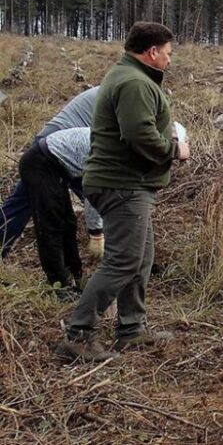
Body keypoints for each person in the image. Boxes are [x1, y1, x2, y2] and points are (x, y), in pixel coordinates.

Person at [57, 22, 189, 362]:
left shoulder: (128, 76)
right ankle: (78, 335)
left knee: (141, 257)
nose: (170, 61)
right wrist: (174, 150)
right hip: (123, 185)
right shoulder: (134, 82)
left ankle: (131, 329)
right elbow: (139, 134)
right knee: (124, 260)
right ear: (152, 52)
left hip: (127, 183)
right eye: (168, 54)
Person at [1, 86, 101, 258]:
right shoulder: (124, 94)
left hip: (73, 148)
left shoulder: (121, 88)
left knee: (102, 203)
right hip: (54, 147)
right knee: (23, 204)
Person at [18, 127, 103, 299]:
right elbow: (94, 193)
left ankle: (76, 276)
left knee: (68, 223)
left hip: (58, 166)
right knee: (51, 227)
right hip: (40, 162)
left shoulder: (120, 145)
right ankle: (59, 287)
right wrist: (96, 234)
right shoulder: (110, 152)